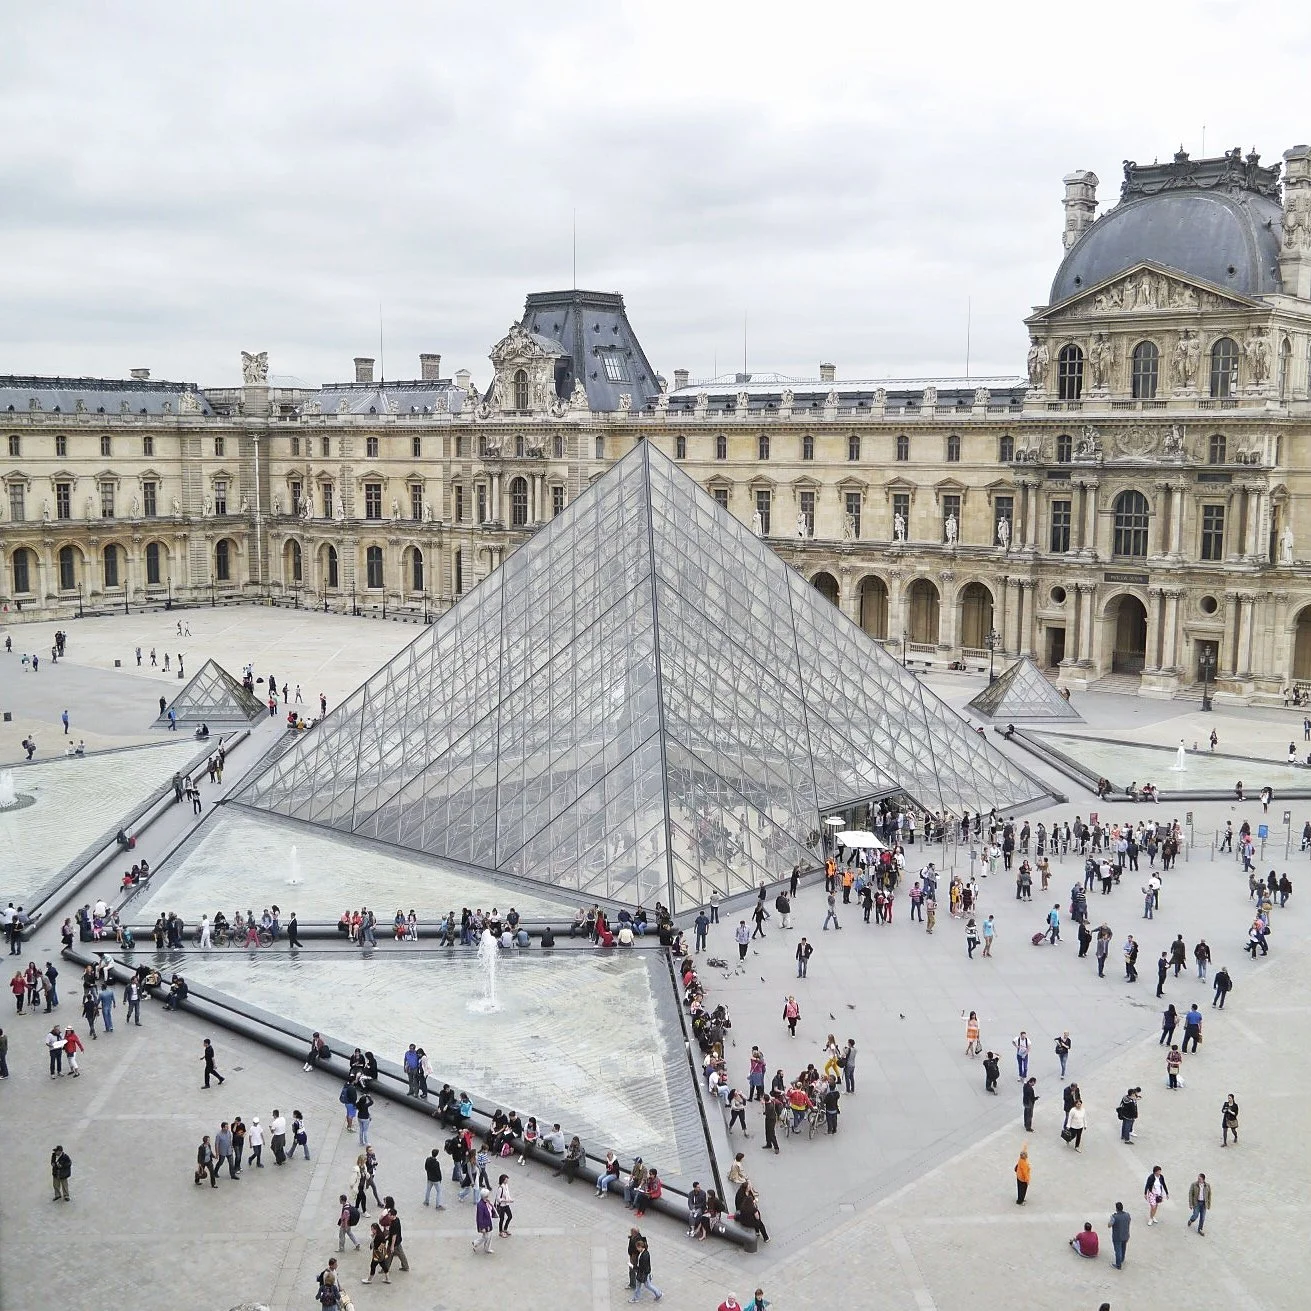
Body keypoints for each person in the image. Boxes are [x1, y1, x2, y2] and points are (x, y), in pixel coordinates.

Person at [628, 1236, 661, 1303]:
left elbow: (642, 1267)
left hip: (642, 1274)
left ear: (640, 1247)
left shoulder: (644, 1256)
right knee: (648, 1285)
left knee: (639, 1287)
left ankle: (635, 1298)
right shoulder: (646, 1252)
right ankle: (658, 1293)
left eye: (637, 1248)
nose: (637, 1249)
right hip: (645, 1273)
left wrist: (633, 1266)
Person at [1108, 1201, 1131, 1268]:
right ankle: (1122, 1259)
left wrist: (1111, 1218)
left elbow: (1109, 1225)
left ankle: (1118, 1265)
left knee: (1118, 1250)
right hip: (1126, 1234)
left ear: (1116, 1209)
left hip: (1117, 1236)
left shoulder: (1114, 1217)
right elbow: (1129, 1221)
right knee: (1123, 1248)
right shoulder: (1127, 1215)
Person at [471, 1188, 495, 1255]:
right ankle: (485, 1247)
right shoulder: (480, 1205)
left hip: (488, 1221)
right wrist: (482, 1227)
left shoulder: (487, 1202)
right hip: (485, 1224)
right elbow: (480, 1217)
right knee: (487, 1236)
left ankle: (476, 1243)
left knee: (487, 1236)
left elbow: (491, 1209)